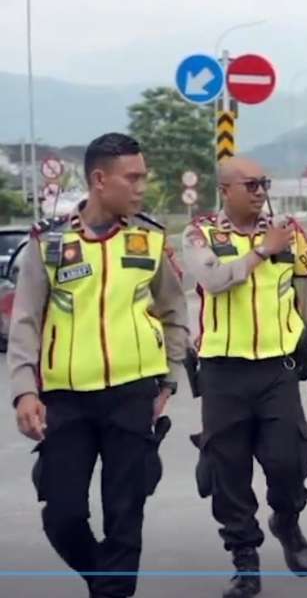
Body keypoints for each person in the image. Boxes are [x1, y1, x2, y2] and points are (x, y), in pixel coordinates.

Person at [8, 132, 189, 598]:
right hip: (65, 400)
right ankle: (105, 582)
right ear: (99, 179)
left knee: (125, 515)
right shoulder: (48, 245)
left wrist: (168, 376)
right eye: (133, 177)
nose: (142, 187)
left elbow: (174, 312)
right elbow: (25, 321)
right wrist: (25, 390)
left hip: (133, 395)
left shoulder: (149, 240)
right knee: (63, 514)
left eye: (143, 177)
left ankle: (112, 590)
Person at [183, 156, 307, 598]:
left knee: (289, 460)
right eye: (250, 184)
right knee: (229, 473)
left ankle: (287, 520)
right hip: (221, 372)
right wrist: (260, 251)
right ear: (226, 190)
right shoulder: (201, 233)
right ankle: (245, 561)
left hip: (278, 369)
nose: (259, 191)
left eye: (263, 183)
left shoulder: (291, 231)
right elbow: (213, 280)